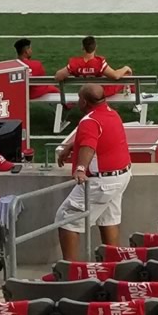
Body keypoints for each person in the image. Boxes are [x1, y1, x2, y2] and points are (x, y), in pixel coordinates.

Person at [55, 84, 131, 263]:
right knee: (108, 218)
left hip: (101, 182)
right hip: (121, 177)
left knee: (66, 218)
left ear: (84, 101)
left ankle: (69, 270)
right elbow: (97, 137)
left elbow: (89, 145)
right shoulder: (111, 113)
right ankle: (112, 265)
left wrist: (81, 169)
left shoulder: (89, 120)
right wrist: (73, 145)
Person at [60, 36, 131, 95]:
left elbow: (58, 76)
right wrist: (126, 68)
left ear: (83, 47)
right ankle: (135, 101)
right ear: (95, 47)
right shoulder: (99, 63)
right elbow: (115, 75)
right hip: (99, 92)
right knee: (127, 74)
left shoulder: (75, 63)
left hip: (85, 92)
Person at [15, 38, 60, 104]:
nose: (31, 51)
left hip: (19, 94)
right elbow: (43, 83)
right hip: (35, 94)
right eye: (30, 49)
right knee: (54, 89)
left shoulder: (13, 66)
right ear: (26, 51)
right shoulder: (37, 64)